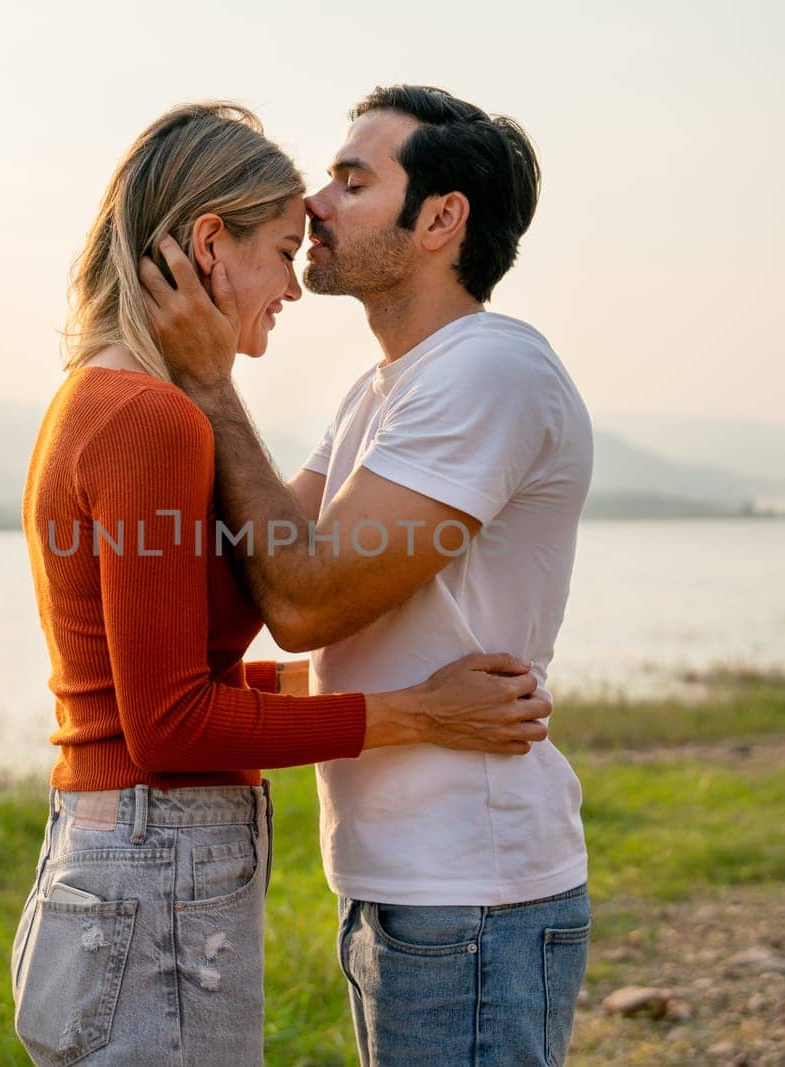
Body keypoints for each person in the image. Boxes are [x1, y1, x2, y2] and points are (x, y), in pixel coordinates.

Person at [10, 101, 551, 1067]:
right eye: (281, 247)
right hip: (154, 866)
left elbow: (166, 682)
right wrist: (414, 714)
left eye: (348, 186)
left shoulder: (98, 397)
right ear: (210, 244)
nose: (293, 281)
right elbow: (174, 720)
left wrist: (372, 697)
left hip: (118, 857)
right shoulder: (152, 419)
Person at [143, 85, 595, 1065]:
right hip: (407, 884)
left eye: (353, 180)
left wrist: (213, 381)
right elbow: (266, 558)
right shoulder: (384, 389)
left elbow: (302, 598)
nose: (315, 202)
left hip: (468, 885)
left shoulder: (489, 371)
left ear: (440, 219)